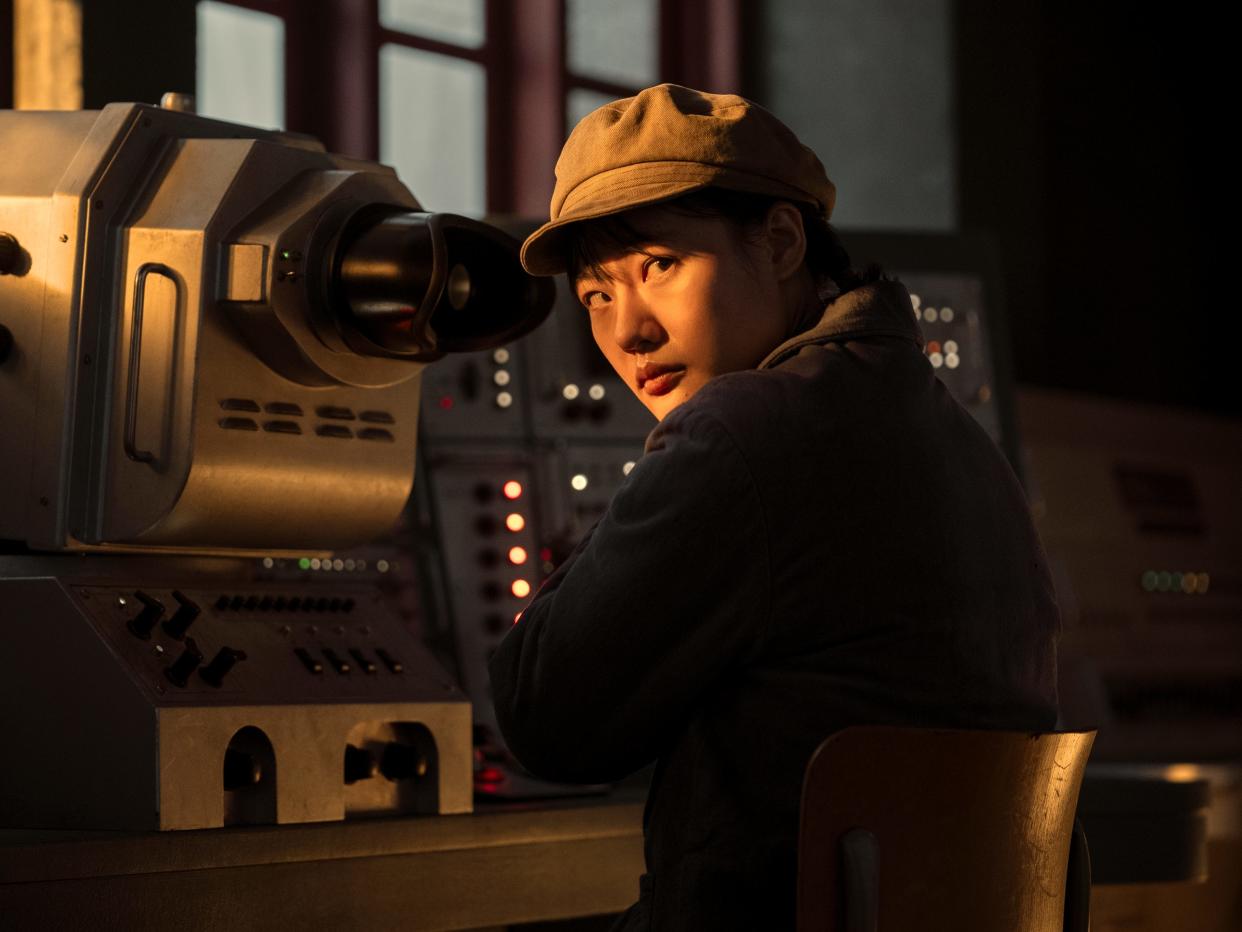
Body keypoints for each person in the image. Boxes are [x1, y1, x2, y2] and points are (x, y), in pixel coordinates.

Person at [488, 84, 1058, 931]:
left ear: (781, 240)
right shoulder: (957, 436)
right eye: (597, 295)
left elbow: (544, 717)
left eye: (660, 266)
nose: (629, 331)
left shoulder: (740, 430)